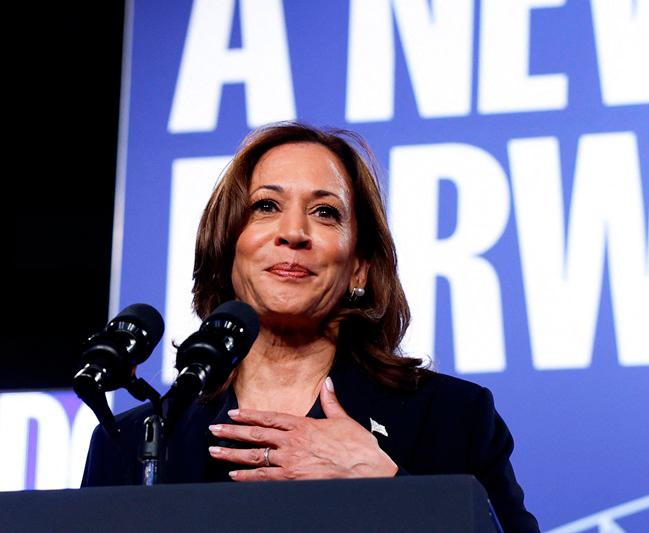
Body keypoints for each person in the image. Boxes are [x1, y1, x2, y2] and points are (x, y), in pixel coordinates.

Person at [82, 122, 539, 532]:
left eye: (325, 212)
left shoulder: (453, 419)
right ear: (227, 249)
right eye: (266, 206)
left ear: (359, 268)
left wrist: (387, 486)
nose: (294, 232)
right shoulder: (130, 443)